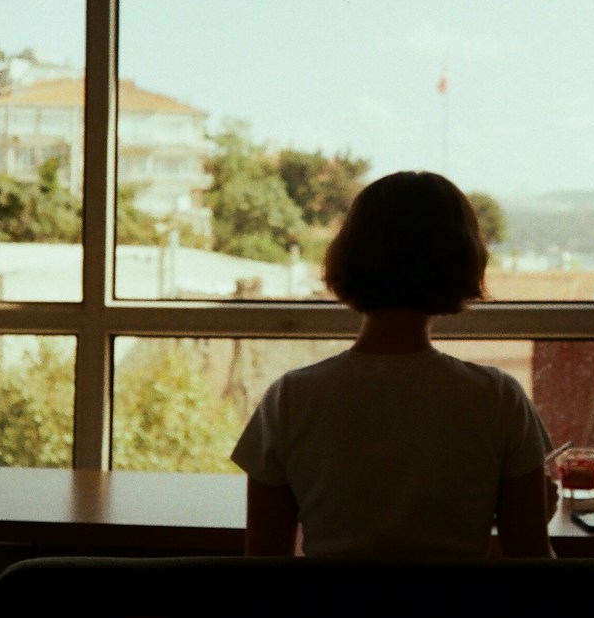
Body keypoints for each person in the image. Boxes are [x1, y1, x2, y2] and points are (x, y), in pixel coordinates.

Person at [231, 170, 557, 559]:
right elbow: (533, 573)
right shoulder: (499, 398)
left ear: (349, 255)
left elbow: (262, 571)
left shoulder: (289, 399)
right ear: (464, 261)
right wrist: (533, 516)